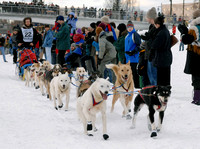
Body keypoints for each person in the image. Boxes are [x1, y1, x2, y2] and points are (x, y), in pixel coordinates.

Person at [178, 9, 200, 105]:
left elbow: (187, 39)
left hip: (196, 56)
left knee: (196, 79)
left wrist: (183, 32)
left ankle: (197, 98)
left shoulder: (194, 28)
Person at [150, 15, 172, 87]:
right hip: (167, 57)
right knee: (166, 77)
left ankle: (161, 93)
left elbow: (154, 45)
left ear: (157, 24)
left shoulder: (161, 33)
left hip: (161, 58)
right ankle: (166, 91)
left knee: (161, 79)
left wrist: (151, 38)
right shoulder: (165, 31)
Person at [140, 7, 158, 86]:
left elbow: (155, 41)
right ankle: (151, 91)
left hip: (153, 55)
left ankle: (154, 92)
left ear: (151, 18)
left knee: (153, 76)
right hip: (149, 54)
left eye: (147, 17)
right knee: (150, 75)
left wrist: (147, 41)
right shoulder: (151, 27)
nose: (146, 19)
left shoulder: (156, 27)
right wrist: (145, 42)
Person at [125, 21, 141, 88]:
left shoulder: (135, 34)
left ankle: (136, 87)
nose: (130, 28)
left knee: (134, 74)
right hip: (128, 58)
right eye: (128, 27)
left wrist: (133, 52)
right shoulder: (127, 36)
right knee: (129, 74)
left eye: (131, 27)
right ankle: (131, 86)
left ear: (133, 27)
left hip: (134, 58)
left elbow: (139, 45)